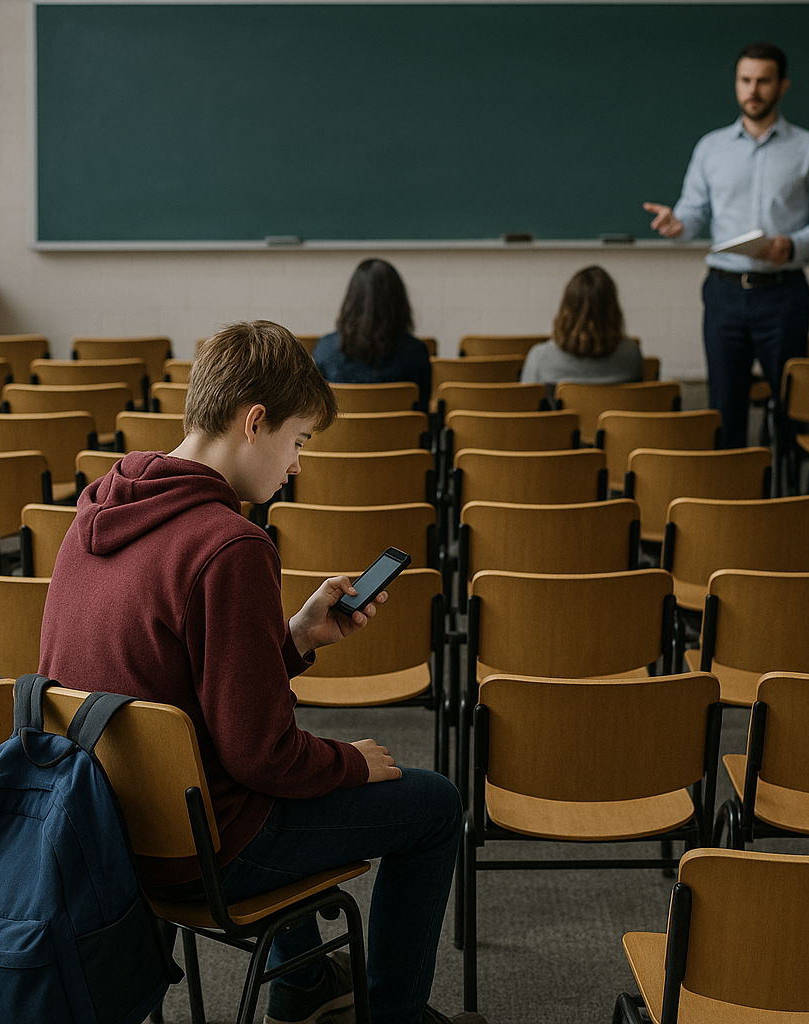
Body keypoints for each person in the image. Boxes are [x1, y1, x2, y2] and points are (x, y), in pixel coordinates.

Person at [39, 320, 480, 1024]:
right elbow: (261, 754)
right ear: (254, 422)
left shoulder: (97, 510)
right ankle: (394, 1014)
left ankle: (303, 983)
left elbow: (184, 688)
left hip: (103, 832)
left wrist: (296, 637)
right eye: (298, 441)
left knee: (260, 773)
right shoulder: (230, 545)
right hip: (203, 850)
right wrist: (349, 763)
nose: (296, 466)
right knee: (432, 804)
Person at [644, 41, 809, 449]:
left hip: (783, 294)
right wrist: (677, 225)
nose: (753, 90)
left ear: (782, 85)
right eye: (745, 80)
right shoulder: (711, 148)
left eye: (763, 81)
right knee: (724, 409)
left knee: (792, 410)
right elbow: (694, 213)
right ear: (736, 83)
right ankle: (733, 487)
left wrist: (794, 245)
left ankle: (787, 486)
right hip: (724, 293)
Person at [314, 258, 432, 410]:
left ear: (351, 299)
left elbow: (317, 412)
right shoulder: (416, 353)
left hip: (343, 426)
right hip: (396, 426)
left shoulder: (325, 349)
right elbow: (422, 412)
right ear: (399, 302)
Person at [520, 265, 643, 402]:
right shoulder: (631, 355)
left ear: (566, 310)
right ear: (613, 312)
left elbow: (526, 406)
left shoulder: (540, 358)